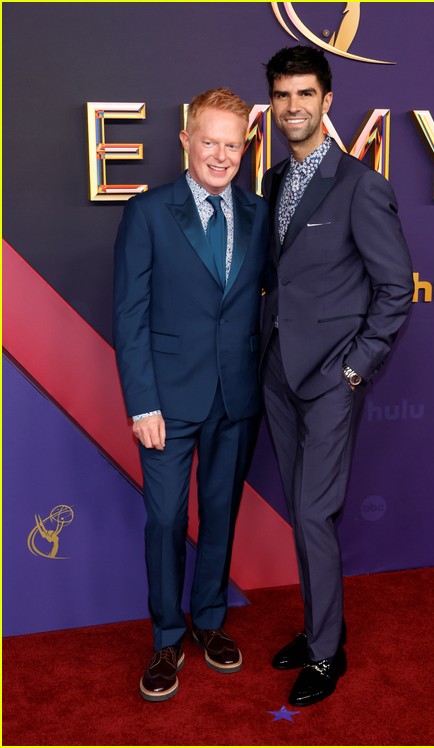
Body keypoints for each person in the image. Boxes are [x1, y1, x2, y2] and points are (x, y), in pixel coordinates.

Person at [260, 46, 413, 707]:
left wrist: (356, 366)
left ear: (327, 101)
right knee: (302, 512)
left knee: (315, 514)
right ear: (273, 102)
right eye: (282, 95)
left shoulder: (361, 185)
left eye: (305, 95)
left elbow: (397, 288)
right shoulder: (271, 182)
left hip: (329, 378)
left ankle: (326, 654)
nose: (293, 107)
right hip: (276, 376)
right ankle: (320, 623)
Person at [113, 88, 269, 702]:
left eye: (233, 144)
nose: (221, 155)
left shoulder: (257, 213)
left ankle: (209, 622)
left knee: (222, 515)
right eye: (210, 141)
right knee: (166, 519)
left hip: (236, 396)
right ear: (186, 139)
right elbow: (129, 315)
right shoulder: (149, 212)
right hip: (167, 404)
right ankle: (166, 637)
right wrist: (141, 403)